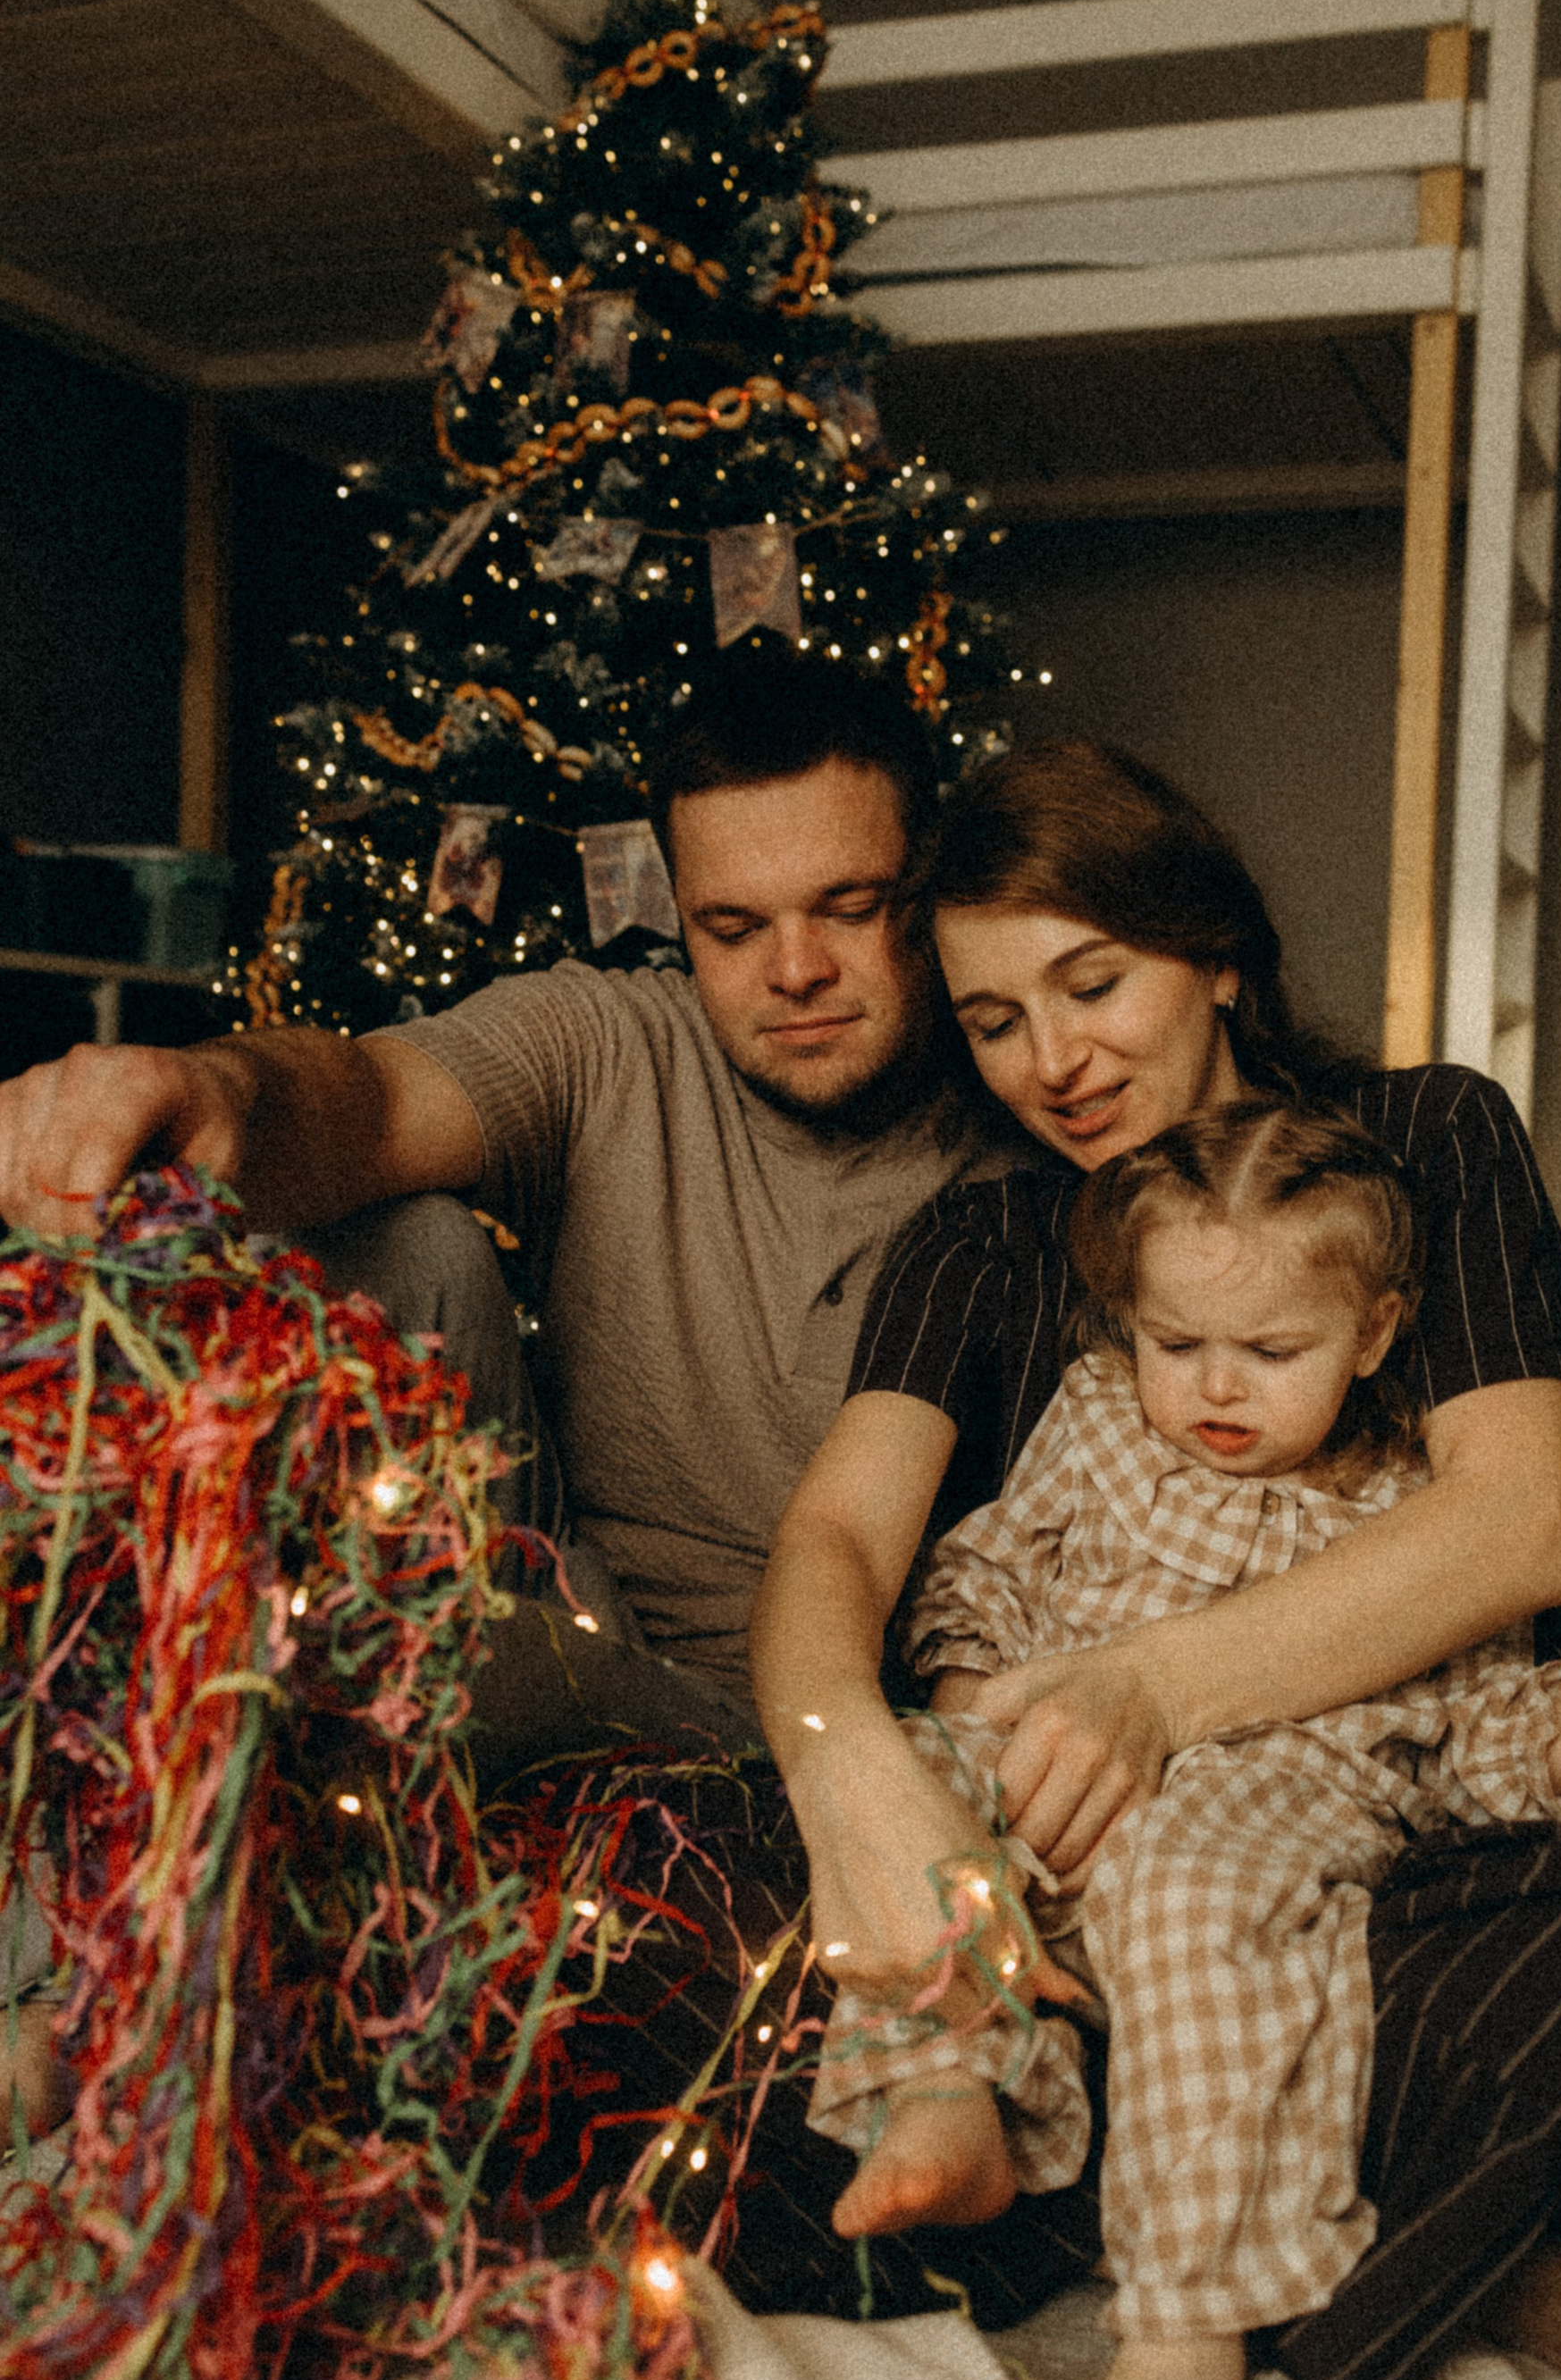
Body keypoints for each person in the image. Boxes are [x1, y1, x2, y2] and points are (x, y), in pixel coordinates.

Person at [751, 741, 1561, 2380]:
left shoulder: (1420, 1146)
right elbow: (838, 1543)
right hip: (1060, 1888)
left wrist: (1147, 1690)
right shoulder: (978, 1249)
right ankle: (1429, 2232)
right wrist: (854, 1773)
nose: (1053, 1062)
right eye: (993, 1021)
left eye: (1091, 985)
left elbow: (1520, 1529)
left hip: (1401, 1855)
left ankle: (1229, 2241)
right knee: (732, 2000)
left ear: (1213, 952)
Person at [0, 650, 1020, 1753]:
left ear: (930, 890)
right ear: (681, 917)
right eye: (733, 929)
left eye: (850, 909)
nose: (796, 969)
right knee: (409, 1241)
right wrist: (215, 1091)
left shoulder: (1039, 1105)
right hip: (571, 1634)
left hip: (867, 1729)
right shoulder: (615, 1042)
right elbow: (371, 1098)